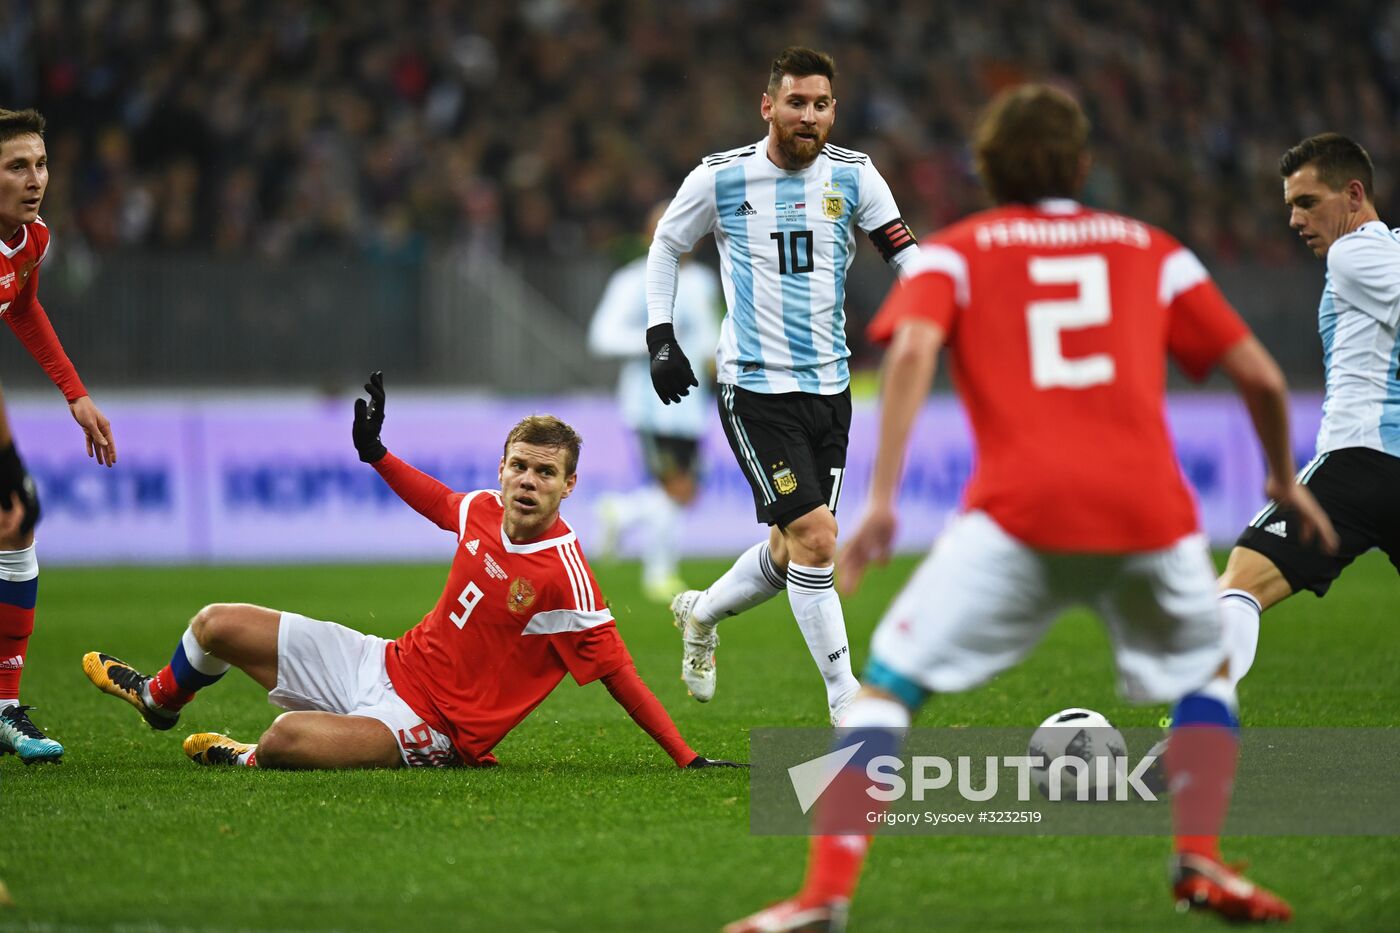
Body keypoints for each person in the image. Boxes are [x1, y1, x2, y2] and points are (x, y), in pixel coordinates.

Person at [726, 84, 1338, 932]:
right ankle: (1198, 857)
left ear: (988, 170)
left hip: (1018, 514)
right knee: (1208, 675)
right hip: (1146, 514)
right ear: (1083, 166)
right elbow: (1263, 377)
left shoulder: (956, 253)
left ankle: (823, 895)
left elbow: (912, 353)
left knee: (888, 689)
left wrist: (884, 498)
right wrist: (1281, 477)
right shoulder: (1152, 250)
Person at [83, 373, 740, 771]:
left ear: (569, 485)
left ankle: (244, 755)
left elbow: (620, 675)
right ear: (502, 468)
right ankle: (160, 700)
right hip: (383, 662)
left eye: (545, 472)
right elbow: (436, 501)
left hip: (433, 728)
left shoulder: (566, 575)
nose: (528, 480)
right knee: (215, 623)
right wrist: (376, 452)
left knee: (283, 740)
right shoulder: (481, 509)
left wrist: (686, 756)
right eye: (519, 466)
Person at [646, 47, 920, 723]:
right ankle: (845, 697)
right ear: (768, 106)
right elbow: (666, 245)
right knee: (819, 537)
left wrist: (941, 315)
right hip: (754, 389)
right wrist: (660, 335)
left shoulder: (854, 175)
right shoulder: (722, 177)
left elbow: (905, 254)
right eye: (796, 102)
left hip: (831, 388)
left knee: (789, 546)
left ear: (834, 111)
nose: (809, 116)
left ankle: (701, 613)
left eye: (821, 105)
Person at [1217, 133, 1400, 689]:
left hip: (1358, 461)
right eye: (1291, 205)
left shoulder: (1353, 251)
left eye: (1307, 202)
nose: (1295, 220)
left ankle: (1199, 726)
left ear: (1354, 195)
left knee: (1239, 585)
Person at [0, 108, 116, 765]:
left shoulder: (31, 239)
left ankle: (3, 706)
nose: (35, 179)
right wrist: (7, 459)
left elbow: (22, 306)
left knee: (15, 530)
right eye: (17, 166)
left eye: (41, 164)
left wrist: (75, 392)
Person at [588, 201, 721, 602]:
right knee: (675, 488)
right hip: (650, 403)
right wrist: (659, 344)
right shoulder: (632, 281)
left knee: (685, 490)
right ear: (651, 234)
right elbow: (602, 336)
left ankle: (620, 513)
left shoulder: (703, 282)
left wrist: (716, 362)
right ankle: (659, 574)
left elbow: (708, 337)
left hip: (692, 405)